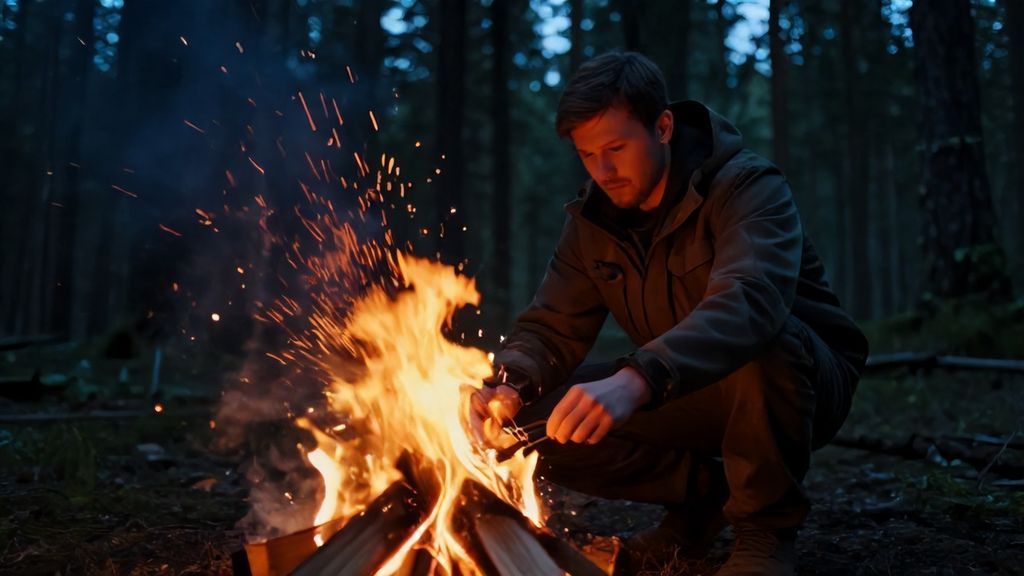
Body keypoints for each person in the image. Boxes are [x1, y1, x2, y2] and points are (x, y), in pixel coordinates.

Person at [469, 52, 868, 575]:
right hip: (680, 386)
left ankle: (763, 535)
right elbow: (551, 325)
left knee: (762, 340)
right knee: (526, 424)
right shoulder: (593, 221)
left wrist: (637, 377)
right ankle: (706, 500)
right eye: (588, 155)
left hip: (798, 384)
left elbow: (751, 303)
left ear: (662, 126)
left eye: (616, 148)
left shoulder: (747, 187)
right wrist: (511, 383)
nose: (603, 170)